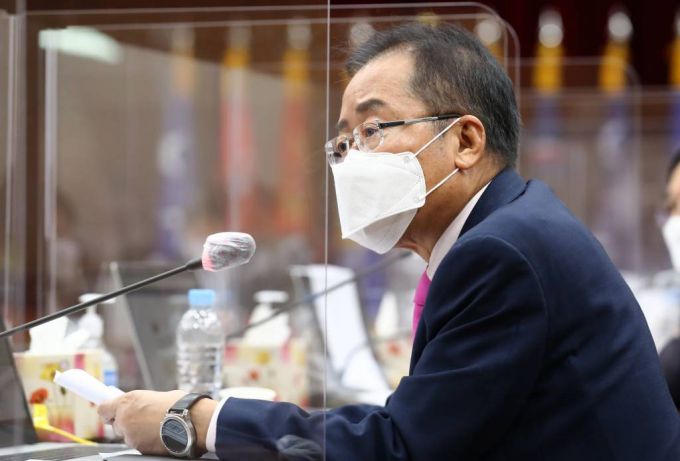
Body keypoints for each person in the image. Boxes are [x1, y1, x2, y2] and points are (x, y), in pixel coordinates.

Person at [98, 23, 680, 460]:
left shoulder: (502, 253)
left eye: (373, 129)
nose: (350, 159)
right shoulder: (508, 226)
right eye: (343, 142)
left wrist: (199, 419)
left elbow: (402, 447)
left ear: (466, 141)